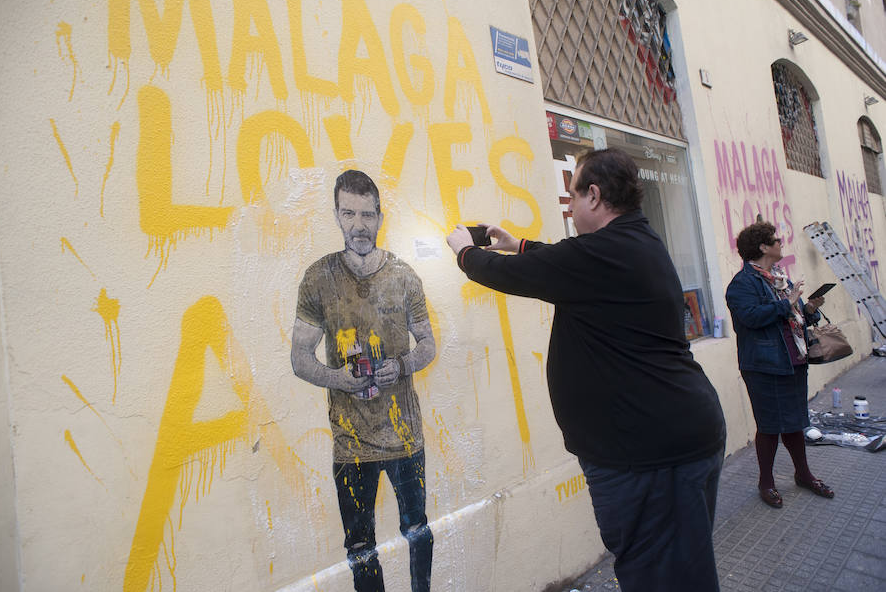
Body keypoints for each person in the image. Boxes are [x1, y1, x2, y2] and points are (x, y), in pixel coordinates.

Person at [445, 148, 727, 591]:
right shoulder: (629, 243)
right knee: (675, 571)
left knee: (663, 578)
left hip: (652, 456)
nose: (569, 206)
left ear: (593, 196)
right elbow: (562, 263)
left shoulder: (605, 254)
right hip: (664, 443)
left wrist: (465, 252)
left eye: (571, 196)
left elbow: (520, 274)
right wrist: (517, 243)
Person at [291, 169, 436, 592]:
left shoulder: (405, 276)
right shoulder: (318, 279)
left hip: (405, 437)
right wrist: (337, 377)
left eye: (367, 215)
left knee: (418, 531)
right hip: (350, 443)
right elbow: (300, 358)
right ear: (336, 215)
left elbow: (428, 343)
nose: (359, 225)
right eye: (349, 213)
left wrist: (404, 365)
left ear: (380, 217)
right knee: (360, 547)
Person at [725, 221, 834, 509]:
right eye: (775, 240)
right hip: (764, 365)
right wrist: (788, 303)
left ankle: (803, 474)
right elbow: (750, 318)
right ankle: (766, 482)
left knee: (795, 422)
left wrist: (808, 309)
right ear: (762, 247)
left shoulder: (778, 278)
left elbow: (792, 318)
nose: (780, 242)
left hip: (793, 360)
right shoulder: (742, 284)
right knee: (770, 426)